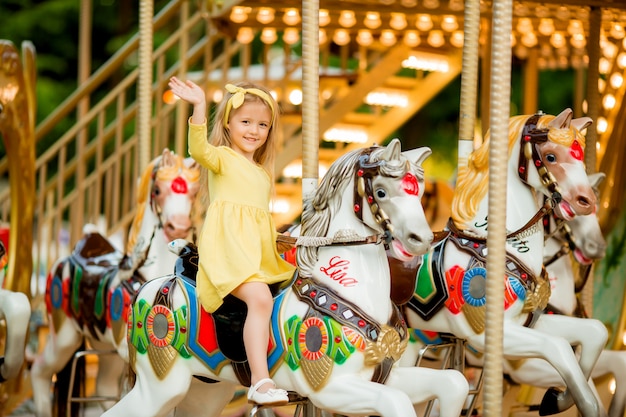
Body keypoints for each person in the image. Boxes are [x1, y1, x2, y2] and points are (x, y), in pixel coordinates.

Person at [168, 77, 295, 406]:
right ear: (228, 123)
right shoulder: (222, 158)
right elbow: (198, 149)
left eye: (263, 124)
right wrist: (198, 106)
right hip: (227, 254)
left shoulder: (262, 173)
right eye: (246, 122)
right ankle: (259, 381)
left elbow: (258, 222)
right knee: (261, 300)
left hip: (254, 255)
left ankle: (286, 384)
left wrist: (281, 239)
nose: (254, 130)